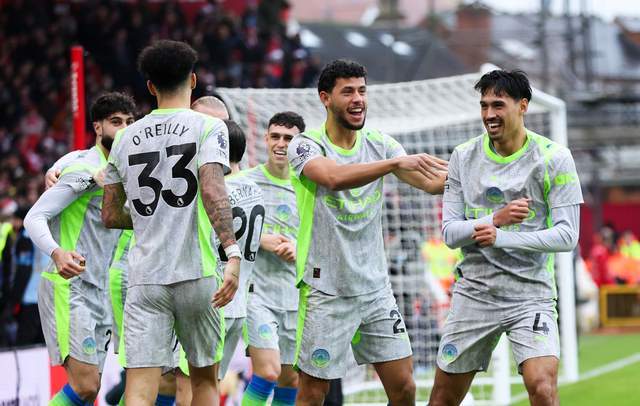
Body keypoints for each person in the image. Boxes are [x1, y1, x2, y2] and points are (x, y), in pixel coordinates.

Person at [287, 59, 448, 405]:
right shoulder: (305, 145)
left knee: (404, 387)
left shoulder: (380, 143)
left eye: (362, 90)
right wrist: (392, 164)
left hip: (375, 289)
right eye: (348, 92)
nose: (358, 99)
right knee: (313, 393)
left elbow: (431, 183)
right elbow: (331, 177)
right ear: (325, 98)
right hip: (325, 290)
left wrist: (478, 170)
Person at [428, 69, 583, 406]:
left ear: (523, 105)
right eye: (484, 106)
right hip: (475, 294)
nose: (489, 114)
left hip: (530, 295)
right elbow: (450, 233)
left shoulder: (554, 158)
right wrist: (494, 220)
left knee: (543, 388)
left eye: (498, 105)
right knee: (442, 399)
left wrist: (501, 237)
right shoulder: (463, 156)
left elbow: (567, 236)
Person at [102, 39, 240, 406]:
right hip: (196, 272)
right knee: (203, 381)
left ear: (150, 86)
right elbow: (212, 190)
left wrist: (153, 217)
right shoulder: (209, 127)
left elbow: (110, 214)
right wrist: (233, 251)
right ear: (193, 80)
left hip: (145, 277)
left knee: (139, 389)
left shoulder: (124, 138)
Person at [23, 92, 136, 405]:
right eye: (116, 122)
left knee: (90, 390)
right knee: (85, 386)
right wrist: (57, 252)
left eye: (129, 122)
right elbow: (34, 217)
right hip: (69, 287)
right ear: (98, 127)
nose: (124, 129)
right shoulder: (84, 171)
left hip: (100, 290)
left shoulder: (123, 172)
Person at [242, 111, 305, 406]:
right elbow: (218, 230)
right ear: (266, 139)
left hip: (294, 296)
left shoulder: (309, 187)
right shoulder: (244, 183)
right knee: (268, 372)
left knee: (290, 380)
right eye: (276, 137)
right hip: (256, 294)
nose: (281, 144)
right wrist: (258, 239)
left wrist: (299, 249)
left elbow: (325, 239)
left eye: (289, 138)